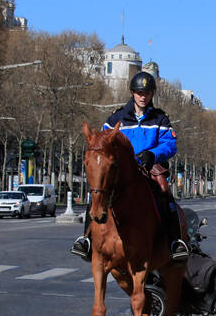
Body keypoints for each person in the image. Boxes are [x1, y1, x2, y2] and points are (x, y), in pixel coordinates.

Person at [70, 71, 189, 262]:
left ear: (152, 94)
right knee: (96, 193)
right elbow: (102, 143)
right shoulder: (115, 119)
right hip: (120, 170)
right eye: (139, 92)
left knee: (165, 193)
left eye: (147, 93)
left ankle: (174, 241)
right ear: (132, 93)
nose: (143, 97)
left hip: (150, 167)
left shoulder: (160, 119)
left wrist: (153, 154)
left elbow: (170, 145)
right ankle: (86, 239)